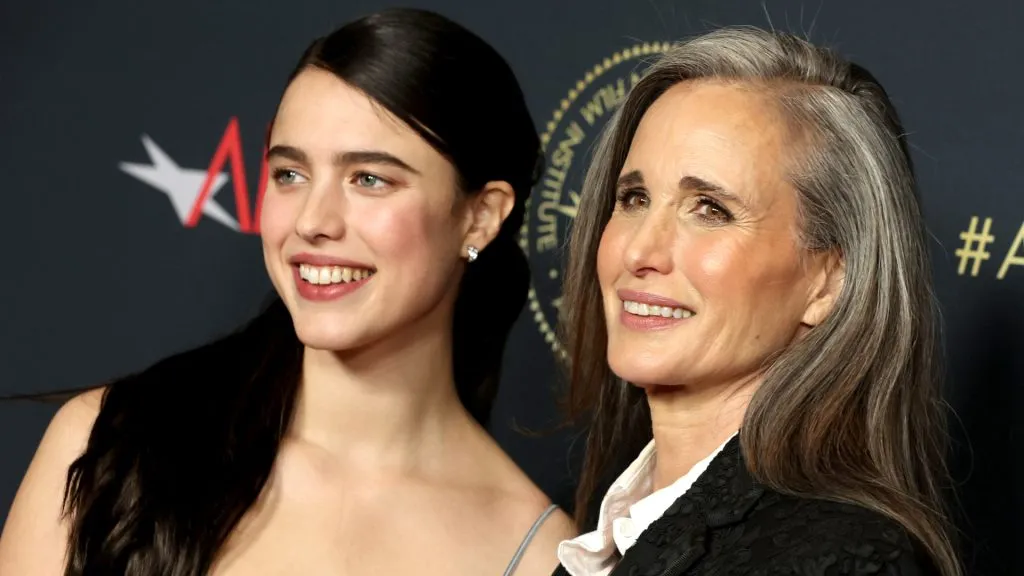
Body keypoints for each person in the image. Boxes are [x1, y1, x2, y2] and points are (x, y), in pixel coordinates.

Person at [0, 8, 575, 576]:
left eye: (368, 179)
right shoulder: (108, 445)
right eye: (290, 175)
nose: (311, 221)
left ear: (480, 217)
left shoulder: (538, 554)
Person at [552, 27, 960, 576]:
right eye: (634, 198)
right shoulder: (623, 528)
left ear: (828, 281)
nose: (640, 250)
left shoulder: (838, 559)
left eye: (710, 209)